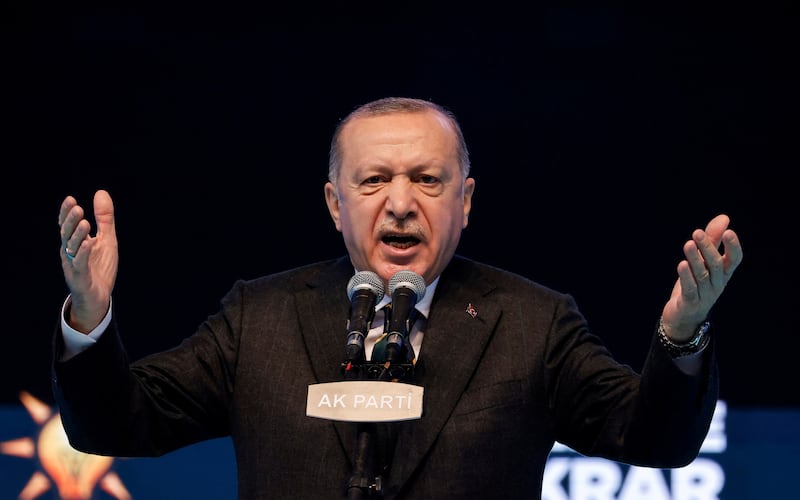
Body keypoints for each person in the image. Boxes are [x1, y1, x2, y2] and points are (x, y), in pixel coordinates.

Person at [53, 96, 743, 499]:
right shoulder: (256, 317)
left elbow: (655, 439)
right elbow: (117, 426)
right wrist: (88, 317)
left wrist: (680, 334)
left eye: (429, 180)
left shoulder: (535, 322)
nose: (402, 204)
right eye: (375, 179)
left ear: (466, 200)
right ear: (334, 203)